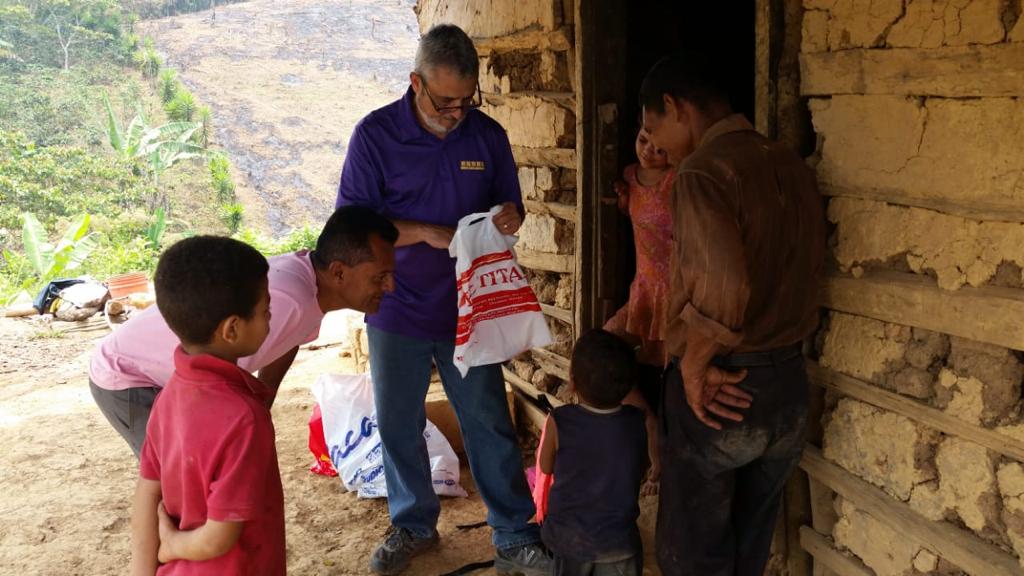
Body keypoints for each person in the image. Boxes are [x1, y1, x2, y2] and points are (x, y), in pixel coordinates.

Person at [336, 23, 549, 576]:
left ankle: (514, 533)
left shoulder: (487, 136)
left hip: (469, 309)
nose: (457, 113)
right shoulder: (375, 136)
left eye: (466, 100)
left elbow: (511, 206)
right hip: (395, 306)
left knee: (487, 420)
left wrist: (511, 216)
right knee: (397, 423)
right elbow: (354, 226)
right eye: (445, 102)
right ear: (415, 82)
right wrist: (425, 233)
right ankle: (412, 525)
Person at [638, 51, 825, 576]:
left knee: (692, 556)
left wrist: (694, 369)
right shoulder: (788, 162)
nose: (657, 147)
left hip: (724, 385)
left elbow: (724, 286)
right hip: (787, 384)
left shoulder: (703, 171)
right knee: (749, 547)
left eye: (655, 128)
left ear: (675, 107)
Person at [89, 206, 398, 457]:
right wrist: (245, 424)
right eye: (380, 276)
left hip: (171, 375)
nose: (390, 286)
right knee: (180, 476)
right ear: (339, 272)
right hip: (129, 376)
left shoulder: (308, 288)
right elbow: (220, 377)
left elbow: (288, 340)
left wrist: (265, 401)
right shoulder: (290, 299)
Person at [129, 236, 282, 575]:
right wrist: (172, 544)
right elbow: (218, 538)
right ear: (232, 329)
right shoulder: (244, 418)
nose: (270, 319)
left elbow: (147, 493)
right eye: (265, 311)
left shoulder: (170, 395)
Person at [538, 329, 647, 576]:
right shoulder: (636, 422)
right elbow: (638, 468)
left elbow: (545, 467)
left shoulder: (560, 421)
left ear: (572, 381)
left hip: (570, 541)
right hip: (619, 543)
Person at [605, 125, 676, 488]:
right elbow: (633, 215)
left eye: (660, 148)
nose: (649, 150)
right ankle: (647, 419)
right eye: (644, 139)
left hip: (675, 291)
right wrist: (622, 200)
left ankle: (666, 457)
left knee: (672, 372)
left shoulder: (681, 180)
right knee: (600, 350)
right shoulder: (631, 175)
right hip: (645, 287)